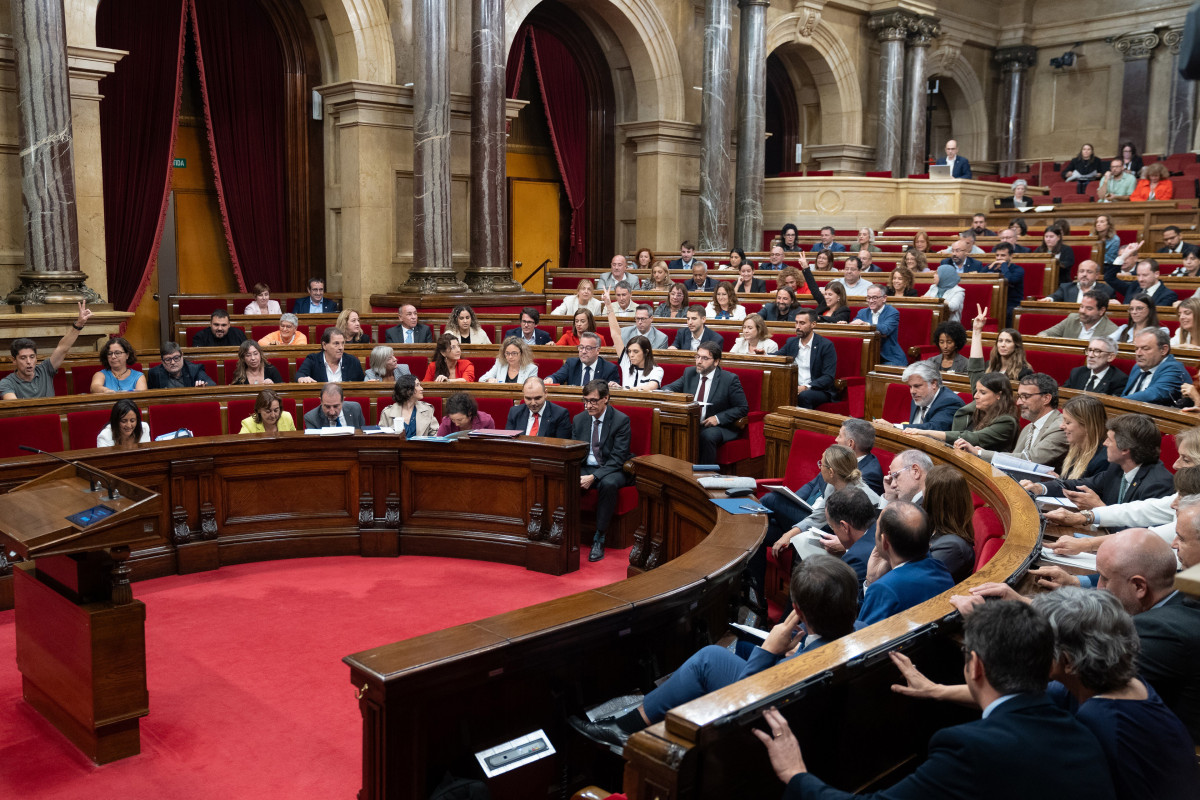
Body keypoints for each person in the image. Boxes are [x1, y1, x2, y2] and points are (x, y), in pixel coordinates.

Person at [755, 600, 1119, 800]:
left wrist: (796, 774)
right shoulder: (1080, 731)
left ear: (974, 666)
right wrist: (936, 690)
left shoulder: (970, 748)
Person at [578, 552, 859, 748]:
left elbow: (744, 701)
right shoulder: (865, 628)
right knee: (718, 657)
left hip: (781, 724)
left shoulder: (803, 665)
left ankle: (625, 727)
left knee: (709, 659)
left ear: (797, 611)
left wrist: (770, 650)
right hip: (828, 714)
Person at [1024, 413, 1173, 506]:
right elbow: (1077, 485)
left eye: (1109, 440)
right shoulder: (1117, 468)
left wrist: (1098, 509)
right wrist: (1040, 488)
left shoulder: (1158, 484)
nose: (1105, 444)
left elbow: (1140, 534)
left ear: (1125, 450)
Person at [856, 501, 954, 625]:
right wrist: (873, 578)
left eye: (877, 528)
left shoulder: (884, 589)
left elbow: (864, 636)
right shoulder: (939, 567)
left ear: (885, 541)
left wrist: (871, 583)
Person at [769, 444, 883, 551]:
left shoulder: (865, 499)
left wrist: (845, 547)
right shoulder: (832, 485)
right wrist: (788, 535)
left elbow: (872, 538)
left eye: (821, 464)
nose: (820, 468)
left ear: (831, 472)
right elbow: (818, 516)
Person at [572, 379, 634, 562]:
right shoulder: (579, 419)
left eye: (593, 401)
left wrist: (593, 477)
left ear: (605, 398)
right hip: (586, 465)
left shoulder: (620, 420)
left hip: (613, 468)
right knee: (565, 476)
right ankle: (565, 530)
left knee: (607, 484)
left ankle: (599, 537)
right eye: (585, 401)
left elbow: (618, 458)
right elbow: (574, 451)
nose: (588, 405)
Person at [662, 342, 748, 463]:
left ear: (716, 361)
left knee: (707, 435)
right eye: (697, 357)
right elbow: (668, 388)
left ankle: (705, 474)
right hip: (691, 422)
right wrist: (671, 396)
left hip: (718, 426)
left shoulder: (729, 379)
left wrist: (717, 418)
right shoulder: (689, 373)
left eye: (705, 358)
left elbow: (742, 407)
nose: (699, 361)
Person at [961, 373, 1068, 471]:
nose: (1019, 402)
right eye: (1019, 396)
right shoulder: (1028, 428)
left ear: (1046, 398)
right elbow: (1014, 463)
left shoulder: (1061, 426)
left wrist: (980, 453)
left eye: (1025, 396)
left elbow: (1032, 459)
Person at [907, 370, 1019, 452]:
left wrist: (926, 432)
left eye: (982, 393)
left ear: (998, 395)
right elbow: (975, 370)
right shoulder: (980, 409)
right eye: (976, 391)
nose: (975, 396)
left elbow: (972, 437)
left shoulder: (1006, 422)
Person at [1, 302, 92, 399]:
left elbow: (62, 348)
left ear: (36, 358)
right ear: (14, 360)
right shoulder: (7, 383)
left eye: (32, 357)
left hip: (52, 413)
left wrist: (79, 324)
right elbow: (14, 405)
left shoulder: (45, 370)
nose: (29, 362)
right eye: (23, 358)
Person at [921, 465, 975, 582]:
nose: (922, 493)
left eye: (925, 488)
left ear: (933, 500)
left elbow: (918, 580)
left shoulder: (952, 547)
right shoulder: (932, 526)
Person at [780, 310, 837, 408]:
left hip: (818, 390)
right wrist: (764, 354)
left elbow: (828, 376)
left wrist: (806, 387)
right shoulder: (791, 342)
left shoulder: (826, 345)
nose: (798, 327)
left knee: (804, 396)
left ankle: (802, 423)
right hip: (794, 387)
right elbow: (778, 356)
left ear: (813, 324)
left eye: (802, 323)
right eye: (796, 322)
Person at [1122, 328, 1192, 404]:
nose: (1138, 353)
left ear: (1163, 350)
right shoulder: (1138, 367)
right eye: (1136, 348)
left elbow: (1153, 394)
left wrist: (1119, 401)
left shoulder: (1174, 369)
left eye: (1145, 348)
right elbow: (1126, 394)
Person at [1050, 394, 1111, 481]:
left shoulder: (1103, 460)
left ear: (1087, 425)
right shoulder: (1076, 447)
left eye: (1068, 422)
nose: (1061, 426)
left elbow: (1085, 491)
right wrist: (1057, 480)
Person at [967, 306, 1031, 381]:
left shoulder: (1024, 372)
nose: (1003, 345)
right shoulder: (988, 365)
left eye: (1008, 341)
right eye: (1000, 341)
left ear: (1016, 345)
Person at [897, 361, 964, 430]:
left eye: (917, 386)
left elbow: (933, 428)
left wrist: (897, 427)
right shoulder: (918, 398)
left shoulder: (950, 402)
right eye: (910, 387)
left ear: (933, 384)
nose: (912, 391)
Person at [850, 285, 905, 366]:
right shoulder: (862, 312)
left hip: (889, 357)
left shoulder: (892, 312)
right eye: (868, 298)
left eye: (875, 297)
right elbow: (855, 326)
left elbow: (885, 330)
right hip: (867, 356)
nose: (871, 301)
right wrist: (847, 325)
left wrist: (866, 324)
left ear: (884, 298)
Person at [505, 376, 571, 439]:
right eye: (528, 398)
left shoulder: (560, 414)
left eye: (537, 398)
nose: (533, 403)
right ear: (523, 395)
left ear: (545, 393)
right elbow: (508, 442)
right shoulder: (514, 412)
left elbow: (561, 446)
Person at [545, 331, 619, 386]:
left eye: (588, 348)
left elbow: (612, 393)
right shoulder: (571, 363)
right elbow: (556, 377)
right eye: (581, 347)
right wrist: (550, 380)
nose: (583, 351)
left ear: (598, 350)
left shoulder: (609, 369)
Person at [1037, 290, 1117, 339]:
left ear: (1101, 311)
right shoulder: (1072, 319)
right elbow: (1046, 334)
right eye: (1081, 306)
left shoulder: (1112, 331)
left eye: (1089, 308)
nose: (1082, 311)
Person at [296, 328, 365, 383]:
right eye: (336, 344)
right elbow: (300, 374)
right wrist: (302, 378)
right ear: (324, 345)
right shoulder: (313, 359)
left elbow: (361, 386)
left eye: (342, 343)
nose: (341, 347)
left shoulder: (353, 361)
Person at [1107, 255, 1178, 306]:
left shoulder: (1168, 295)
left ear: (1156, 274)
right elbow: (1109, 277)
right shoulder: (1133, 287)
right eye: (1138, 275)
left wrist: (1123, 308)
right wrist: (1123, 256)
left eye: (1145, 275)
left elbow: (1153, 315)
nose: (1140, 279)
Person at [146, 342, 216, 389]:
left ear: (182, 356)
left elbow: (212, 385)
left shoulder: (194, 369)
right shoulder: (154, 374)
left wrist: (203, 386)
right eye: (168, 359)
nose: (173, 362)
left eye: (176, 358)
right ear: (162, 361)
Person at [1040, 259, 1113, 302]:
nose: (1084, 274)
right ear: (1077, 273)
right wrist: (1049, 299)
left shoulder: (1106, 290)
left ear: (1097, 275)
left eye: (1089, 272)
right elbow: (1054, 297)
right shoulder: (1066, 288)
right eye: (1081, 271)